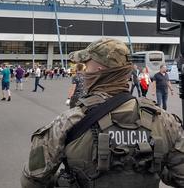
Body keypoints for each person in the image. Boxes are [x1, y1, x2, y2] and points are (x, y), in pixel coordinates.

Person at [21, 38, 184, 188]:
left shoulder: (69, 121)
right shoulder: (164, 120)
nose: (84, 72)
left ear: (98, 71)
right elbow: (180, 177)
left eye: (86, 66)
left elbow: (31, 181)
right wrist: (152, 162)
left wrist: (62, 181)